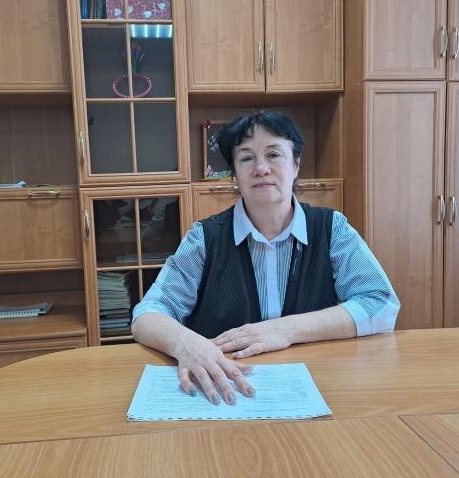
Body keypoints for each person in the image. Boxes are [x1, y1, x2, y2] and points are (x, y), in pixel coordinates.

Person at [131, 111, 400, 406]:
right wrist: (185, 343)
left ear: (295, 163)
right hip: (224, 393)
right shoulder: (205, 238)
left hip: (318, 385)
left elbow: (380, 303)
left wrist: (284, 329)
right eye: (247, 158)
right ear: (234, 173)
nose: (261, 168)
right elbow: (147, 315)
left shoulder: (331, 229)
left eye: (273, 154)